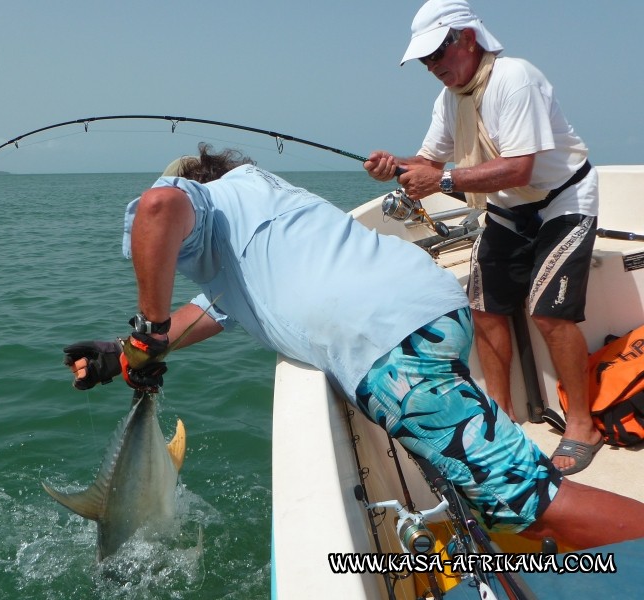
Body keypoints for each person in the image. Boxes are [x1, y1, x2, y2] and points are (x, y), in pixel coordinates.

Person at [63, 143, 644, 551]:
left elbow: (158, 211)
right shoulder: (263, 217)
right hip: (428, 314)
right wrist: (126, 355)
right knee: (499, 484)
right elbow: (210, 311)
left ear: (196, 184)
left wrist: (147, 331)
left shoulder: (202, 202)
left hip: (390, 351)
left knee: (536, 503)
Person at [363, 0, 600, 475]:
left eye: (437, 54)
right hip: (506, 209)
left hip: (563, 202)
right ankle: (501, 415)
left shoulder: (515, 78)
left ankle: (582, 425)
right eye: (425, 60)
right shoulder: (449, 99)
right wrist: (394, 167)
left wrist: (444, 181)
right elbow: (430, 162)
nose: (432, 67)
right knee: (484, 309)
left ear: (467, 39)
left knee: (549, 314)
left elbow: (519, 166)